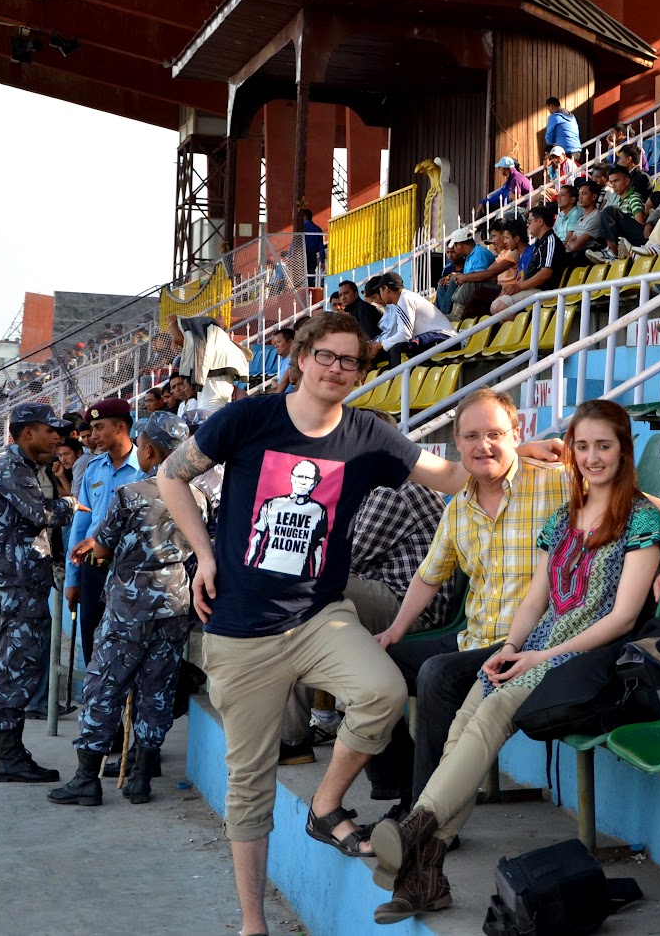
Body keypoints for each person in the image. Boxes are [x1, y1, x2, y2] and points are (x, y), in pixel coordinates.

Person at [152, 311, 568, 936]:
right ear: (301, 356)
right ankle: (252, 923)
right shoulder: (248, 419)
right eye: (327, 356)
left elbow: (452, 476)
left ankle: (325, 805)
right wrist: (205, 554)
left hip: (320, 615)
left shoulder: (369, 435)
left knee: (382, 691)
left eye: (351, 361)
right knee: (250, 784)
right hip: (240, 629)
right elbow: (170, 474)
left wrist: (516, 452)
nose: (337, 370)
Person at [367, 399, 660, 923]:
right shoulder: (563, 516)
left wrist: (541, 653)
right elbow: (536, 601)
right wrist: (512, 648)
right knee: (464, 719)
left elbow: (623, 617)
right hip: (536, 646)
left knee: (487, 716)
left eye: (604, 446)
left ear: (624, 449)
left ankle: (414, 832)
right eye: (582, 446)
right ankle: (425, 871)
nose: (592, 457)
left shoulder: (640, 517)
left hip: (586, 657)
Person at [367, 390, 571, 832]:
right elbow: (428, 575)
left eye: (496, 434)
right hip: (474, 640)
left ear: (517, 434)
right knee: (365, 667)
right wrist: (395, 631)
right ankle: (405, 792)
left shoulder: (558, 482)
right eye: (472, 436)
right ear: (456, 445)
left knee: (438, 674)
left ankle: (428, 825)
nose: (484, 446)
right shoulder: (458, 506)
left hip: (534, 643)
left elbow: (639, 504)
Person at [47, 412, 206, 808]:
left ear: (148, 450)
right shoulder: (199, 497)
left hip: (130, 605)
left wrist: (94, 550)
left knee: (105, 686)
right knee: (157, 688)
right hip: (174, 602)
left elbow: (102, 548)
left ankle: (87, 779)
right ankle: (140, 778)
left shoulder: (132, 494)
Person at [276, 444, 450, 773]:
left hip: (413, 607)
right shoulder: (370, 486)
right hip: (389, 595)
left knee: (300, 593)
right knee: (297, 601)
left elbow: (342, 560)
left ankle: (294, 737)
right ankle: (302, 729)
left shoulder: (392, 489)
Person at [0, 403, 81, 784]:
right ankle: (9, 756)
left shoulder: (28, 468)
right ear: (26, 433)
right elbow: (42, 514)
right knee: (19, 664)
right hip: (20, 581)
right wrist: (72, 502)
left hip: (24, 579)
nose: (58, 436)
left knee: (5, 660)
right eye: (49, 430)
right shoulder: (12, 470)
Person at [68, 398, 144, 668]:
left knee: (129, 639)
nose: (94, 435)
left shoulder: (146, 469)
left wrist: (100, 540)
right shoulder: (93, 469)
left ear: (121, 426)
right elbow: (81, 523)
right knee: (91, 635)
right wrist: (72, 579)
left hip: (130, 569)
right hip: (94, 569)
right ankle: (94, 702)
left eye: (100, 427)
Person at [369, 272, 455, 368]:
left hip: (445, 339)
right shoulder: (404, 299)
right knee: (392, 349)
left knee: (398, 349)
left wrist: (379, 345)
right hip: (438, 338)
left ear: (386, 289)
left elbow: (404, 335)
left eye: (380, 290)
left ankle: (400, 381)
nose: (380, 294)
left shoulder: (405, 299)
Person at [490, 204, 562, 315]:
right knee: (495, 305)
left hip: (545, 291)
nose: (528, 225)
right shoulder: (540, 242)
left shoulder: (550, 240)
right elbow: (528, 274)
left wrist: (519, 286)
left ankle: (524, 330)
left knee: (500, 306)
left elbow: (546, 273)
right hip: (533, 289)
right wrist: (512, 288)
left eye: (530, 221)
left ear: (540, 222)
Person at [435, 229, 498, 319]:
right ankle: (439, 314)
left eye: (455, 246)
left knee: (457, 279)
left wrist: (460, 277)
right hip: (473, 286)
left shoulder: (479, 253)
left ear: (459, 245)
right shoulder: (470, 256)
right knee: (443, 284)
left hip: (485, 286)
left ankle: (447, 315)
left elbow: (480, 276)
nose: (452, 252)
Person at [600, 165, 650, 254]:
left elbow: (640, 225)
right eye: (611, 182)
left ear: (627, 181)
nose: (613, 185)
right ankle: (611, 250)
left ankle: (612, 252)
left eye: (616, 181)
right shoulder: (619, 202)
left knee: (609, 211)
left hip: (637, 239)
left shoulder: (633, 198)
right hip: (625, 240)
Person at [294, 208, 326, 303]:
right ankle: (310, 294)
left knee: (301, 276)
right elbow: (321, 246)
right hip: (312, 256)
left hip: (301, 255)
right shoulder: (318, 229)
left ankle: (302, 297)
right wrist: (322, 260)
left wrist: (291, 255)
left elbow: (295, 242)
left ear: (304, 216)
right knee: (311, 275)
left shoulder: (301, 228)